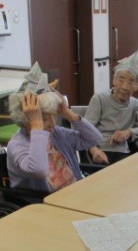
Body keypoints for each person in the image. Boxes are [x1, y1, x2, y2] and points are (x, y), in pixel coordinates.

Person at [7, 64, 102, 192]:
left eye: (54, 115)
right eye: (44, 118)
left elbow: (95, 138)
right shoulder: (17, 145)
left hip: (75, 191)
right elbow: (39, 170)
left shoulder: (56, 133)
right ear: (26, 118)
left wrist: (67, 112)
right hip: (47, 201)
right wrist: (37, 125)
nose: (52, 123)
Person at [85, 51, 138, 164]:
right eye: (121, 80)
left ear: (137, 86)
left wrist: (128, 132)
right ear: (114, 80)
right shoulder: (99, 99)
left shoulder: (135, 104)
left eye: (131, 82)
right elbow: (85, 129)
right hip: (100, 151)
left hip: (123, 153)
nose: (125, 87)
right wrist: (93, 150)